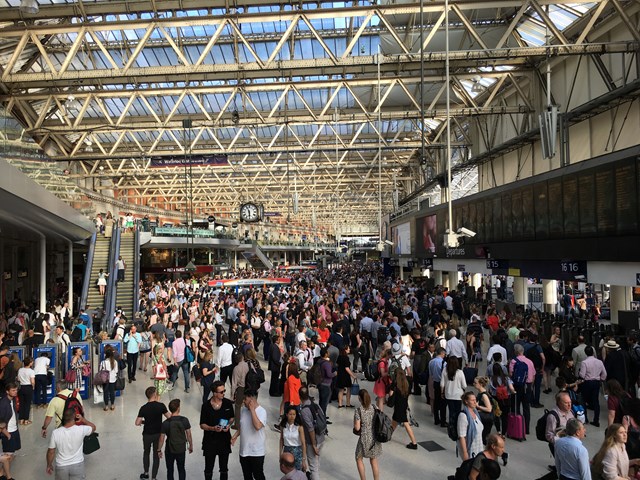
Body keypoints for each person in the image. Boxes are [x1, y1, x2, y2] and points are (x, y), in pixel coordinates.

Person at [45, 407, 96, 479]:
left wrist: (49, 465)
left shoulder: (55, 433)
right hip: (78, 465)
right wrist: (83, 419)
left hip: (61, 466)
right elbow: (93, 427)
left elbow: (51, 451)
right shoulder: (81, 429)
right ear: (75, 417)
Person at [200, 381, 234, 480]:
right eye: (221, 392)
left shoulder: (227, 403)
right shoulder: (206, 406)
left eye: (224, 391)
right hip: (210, 442)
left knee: (224, 468)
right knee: (208, 468)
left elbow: (232, 417)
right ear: (214, 393)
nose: (224, 393)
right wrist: (212, 428)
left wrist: (228, 424)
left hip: (224, 440)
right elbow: (202, 425)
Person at [230, 389, 267, 480]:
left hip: (257, 452)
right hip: (244, 451)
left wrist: (252, 410)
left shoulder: (262, 411)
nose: (243, 401)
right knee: (247, 476)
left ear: (251, 399)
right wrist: (235, 436)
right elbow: (242, 426)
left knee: (258, 475)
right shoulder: (243, 410)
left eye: (245, 399)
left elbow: (257, 426)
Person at [135, 386, 170, 480]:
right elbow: (170, 418)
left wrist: (145, 422)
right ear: (154, 394)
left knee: (146, 452)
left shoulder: (143, 408)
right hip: (158, 434)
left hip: (147, 434)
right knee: (156, 454)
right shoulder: (161, 406)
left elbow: (137, 423)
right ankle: (154, 477)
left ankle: (146, 473)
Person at [158, 399, 193, 480]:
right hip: (181, 448)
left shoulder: (165, 423)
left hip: (169, 449)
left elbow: (161, 439)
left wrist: (159, 450)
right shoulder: (184, 420)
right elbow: (189, 435)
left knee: (170, 470)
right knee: (181, 469)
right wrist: (190, 446)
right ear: (178, 408)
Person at [354, 388, 381, 480]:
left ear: (359, 399)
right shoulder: (374, 407)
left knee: (358, 457)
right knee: (373, 460)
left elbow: (357, 428)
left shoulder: (358, 411)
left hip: (364, 438)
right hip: (374, 438)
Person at [387, 369, 418, 449]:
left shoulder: (395, 384)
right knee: (394, 421)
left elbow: (391, 394)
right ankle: (388, 436)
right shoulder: (407, 383)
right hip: (404, 404)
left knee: (405, 423)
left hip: (398, 406)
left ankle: (414, 443)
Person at [578, 346, 607, 427]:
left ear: (585, 353)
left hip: (587, 383)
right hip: (596, 382)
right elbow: (604, 374)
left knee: (584, 400)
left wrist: (580, 373)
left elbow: (582, 375)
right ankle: (596, 420)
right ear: (593, 352)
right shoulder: (599, 362)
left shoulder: (584, 363)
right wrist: (601, 379)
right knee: (596, 401)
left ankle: (585, 419)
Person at [299, 386, 323, 480]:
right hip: (321, 437)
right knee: (316, 464)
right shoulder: (315, 403)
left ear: (299, 396)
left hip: (313, 441)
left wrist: (313, 445)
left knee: (313, 467)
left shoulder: (304, 410)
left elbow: (310, 429)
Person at [279, 405, 307, 472]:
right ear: (286, 415)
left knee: (297, 472)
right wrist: (280, 454)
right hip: (287, 450)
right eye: (290, 414)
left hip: (297, 451)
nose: (292, 416)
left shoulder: (299, 427)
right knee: (287, 472)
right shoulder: (283, 426)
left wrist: (303, 459)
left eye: (294, 414)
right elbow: (281, 440)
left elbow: (303, 443)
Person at [458, 392, 484, 461]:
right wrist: (465, 453)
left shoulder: (476, 413)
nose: (475, 402)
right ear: (466, 401)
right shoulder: (463, 416)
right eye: (472, 400)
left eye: (475, 400)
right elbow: (462, 436)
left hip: (479, 448)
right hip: (470, 449)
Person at [442, 357, 467, 428]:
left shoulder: (445, 371)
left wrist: (442, 393)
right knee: (458, 412)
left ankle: (451, 426)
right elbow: (464, 385)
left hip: (448, 394)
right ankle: (457, 427)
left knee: (451, 411)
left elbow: (442, 384)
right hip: (458, 395)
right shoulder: (460, 372)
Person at [473, 376, 494, 444]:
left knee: (483, 438)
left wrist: (478, 406)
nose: (474, 384)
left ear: (481, 384)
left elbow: (489, 409)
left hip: (486, 420)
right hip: (485, 419)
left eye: (475, 383)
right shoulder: (481, 393)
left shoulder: (484, 395)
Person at [0, 383, 20, 455]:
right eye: (13, 390)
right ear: (7, 391)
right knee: (8, 455)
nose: (15, 392)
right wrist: (7, 434)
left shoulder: (14, 399)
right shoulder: (3, 403)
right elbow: (1, 421)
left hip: (14, 429)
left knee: (13, 452)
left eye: (16, 390)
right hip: (8, 431)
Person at [430, 347, 447, 427]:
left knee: (436, 401)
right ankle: (443, 421)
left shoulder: (431, 362)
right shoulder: (444, 363)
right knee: (443, 403)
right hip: (442, 384)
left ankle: (436, 419)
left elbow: (430, 373)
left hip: (435, 382)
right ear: (442, 353)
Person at [17, 356, 35, 425]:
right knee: (27, 404)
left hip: (21, 388)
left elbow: (18, 379)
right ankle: (26, 420)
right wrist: (33, 387)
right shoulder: (31, 371)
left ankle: (21, 419)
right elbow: (32, 381)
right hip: (28, 388)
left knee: (22, 404)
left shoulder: (20, 370)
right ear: (30, 363)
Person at [100, 346, 119, 411]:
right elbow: (116, 371)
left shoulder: (103, 362)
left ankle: (106, 406)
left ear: (106, 355)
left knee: (105, 392)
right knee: (112, 392)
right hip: (113, 379)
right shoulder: (115, 362)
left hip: (105, 380)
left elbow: (100, 371)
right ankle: (112, 405)